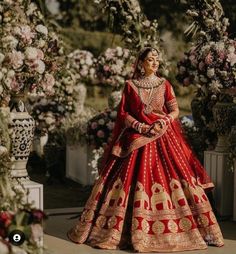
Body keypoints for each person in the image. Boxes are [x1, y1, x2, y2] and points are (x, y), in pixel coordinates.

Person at [67, 47, 224, 252]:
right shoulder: (130, 86)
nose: (154, 63)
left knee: (176, 173)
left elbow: (175, 110)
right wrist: (141, 127)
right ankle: (125, 231)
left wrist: (164, 121)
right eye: (150, 59)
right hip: (138, 137)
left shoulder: (164, 84)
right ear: (141, 63)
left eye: (156, 59)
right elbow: (123, 114)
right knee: (127, 177)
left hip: (163, 136)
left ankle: (189, 231)